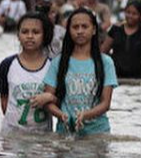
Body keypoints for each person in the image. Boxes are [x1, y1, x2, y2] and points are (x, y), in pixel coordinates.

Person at [42, 8, 118, 136]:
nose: (80, 31)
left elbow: (106, 103)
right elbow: (48, 100)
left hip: (97, 133)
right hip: (65, 132)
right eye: (75, 27)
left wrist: (86, 115)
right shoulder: (58, 62)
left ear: (94, 30)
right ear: (69, 31)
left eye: (84, 27)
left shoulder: (106, 62)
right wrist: (62, 115)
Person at [0, 12, 55, 133]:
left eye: (36, 32)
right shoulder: (7, 65)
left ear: (45, 35)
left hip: (42, 138)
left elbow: (60, 99)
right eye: (24, 32)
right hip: (12, 136)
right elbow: (4, 99)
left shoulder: (53, 66)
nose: (30, 36)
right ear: (18, 35)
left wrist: (49, 97)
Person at [102, 0, 141, 81]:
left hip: (138, 79)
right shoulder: (115, 30)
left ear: (140, 16)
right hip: (116, 77)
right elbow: (103, 52)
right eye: (128, 12)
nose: (130, 16)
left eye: (134, 14)